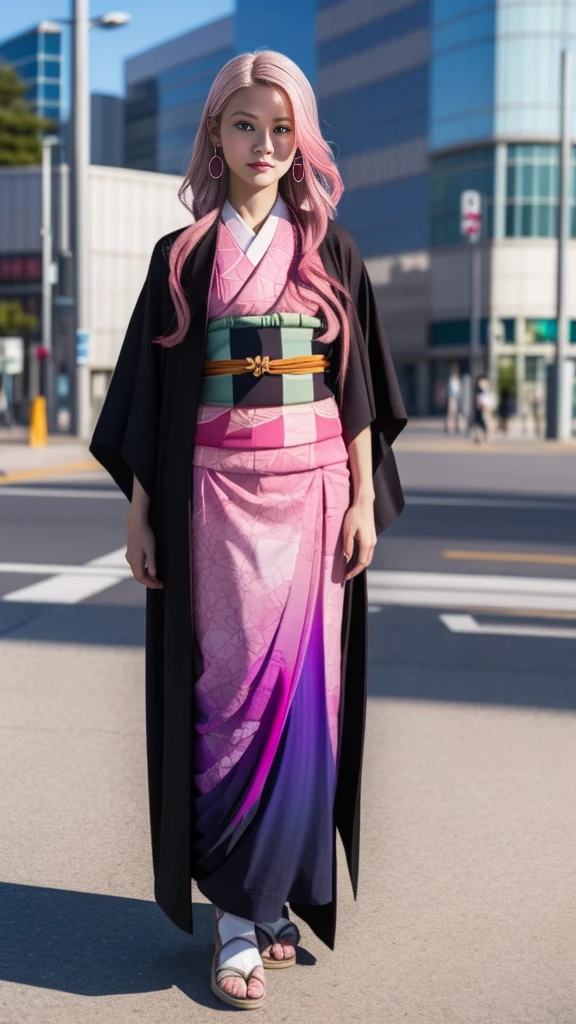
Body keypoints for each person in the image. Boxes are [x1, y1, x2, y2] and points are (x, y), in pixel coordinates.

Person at [90, 50, 407, 1010]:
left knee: (305, 702)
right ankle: (234, 914)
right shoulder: (182, 257)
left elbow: (355, 392)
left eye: (280, 127)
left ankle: (266, 903)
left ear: (301, 137)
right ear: (214, 136)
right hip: (215, 500)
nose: (262, 145)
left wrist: (359, 498)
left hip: (311, 501)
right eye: (243, 125)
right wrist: (144, 513)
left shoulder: (332, 249)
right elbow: (149, 399)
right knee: (225, 701)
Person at [472, 374, 493, 443]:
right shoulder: (478, 392)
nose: (482, 384)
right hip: (480, 410)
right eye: (480, 383)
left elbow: (490, 401)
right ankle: (478, 437)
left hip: (486, 410)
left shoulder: (487, 391)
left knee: (487, 424)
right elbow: (477, 403)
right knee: (479, 424)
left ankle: (487, 437)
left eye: (484, 383)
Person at [445, 363, 462, 434]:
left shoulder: (456, 380)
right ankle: (449, 427)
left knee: (455, 414)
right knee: (451, 413)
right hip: (452, 398)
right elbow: (450, 391)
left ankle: (455, 427)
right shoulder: (452, 380)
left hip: (456, 398)